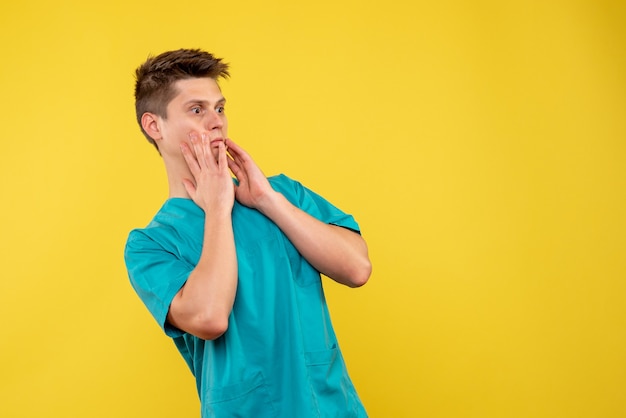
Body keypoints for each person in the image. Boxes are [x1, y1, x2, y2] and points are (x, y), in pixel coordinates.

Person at [124, 48, 372, 418]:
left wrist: (268, 201)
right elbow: (209, 318)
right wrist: (217, 210)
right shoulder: (150, 244)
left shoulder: (282, 194)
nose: (216, 122)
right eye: (197, 110)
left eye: (219, 108)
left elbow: (357, 269)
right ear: (153, 126)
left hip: (329, 406)